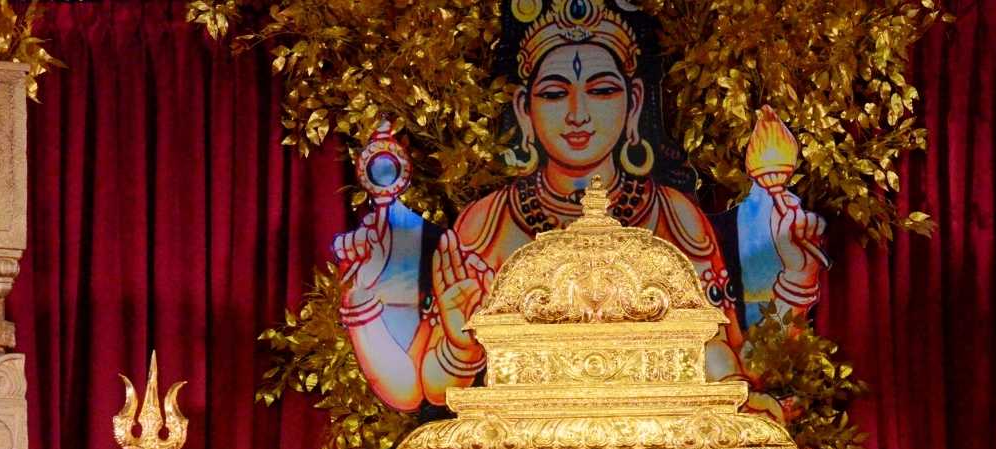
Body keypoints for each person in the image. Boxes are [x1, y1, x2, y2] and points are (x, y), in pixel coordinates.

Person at [332, 0, 826, 411]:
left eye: (602, 90)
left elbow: (730, 361)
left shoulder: (674, 216)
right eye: (554, 94)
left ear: (634, 103)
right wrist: (462, 345)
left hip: (658, 445)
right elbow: (432, 390)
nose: (577, 115)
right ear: (525, 110)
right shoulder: (487, 224)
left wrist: (795, 279)